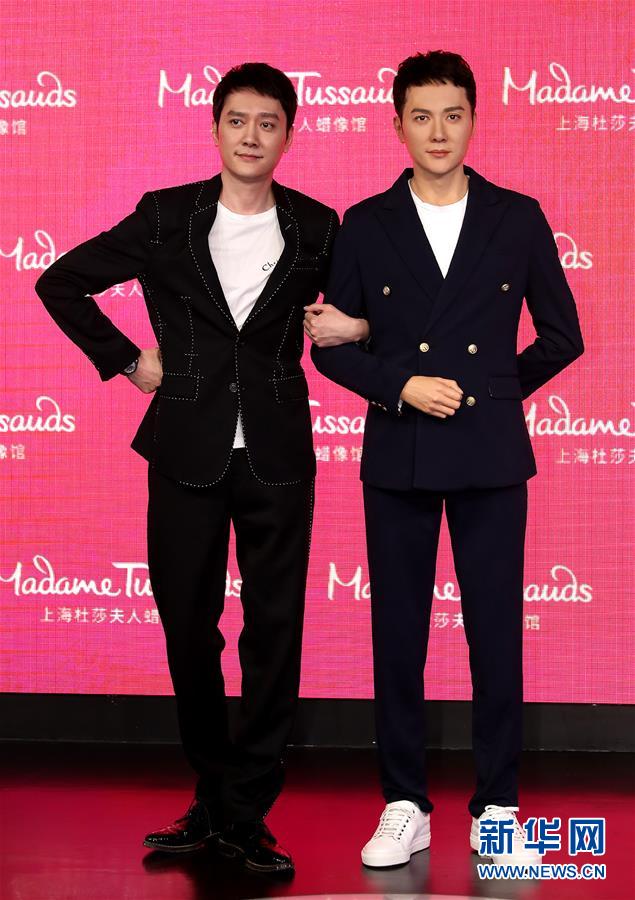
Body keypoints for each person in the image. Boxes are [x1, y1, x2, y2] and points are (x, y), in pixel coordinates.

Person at [35, 62, 366, 874]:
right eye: (237, 121)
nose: (252, 136)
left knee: (273, 634)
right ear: (214, 128)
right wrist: (126, 361)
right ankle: (213, 797)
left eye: (268, 123)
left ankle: (245, 813)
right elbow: (61, 282)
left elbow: (368, 308)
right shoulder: (165, 216)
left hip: (278, 456)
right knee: (188, 628)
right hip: (184, 448)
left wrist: (356, 328)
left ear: (289, 135)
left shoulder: (319, 226)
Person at [307, 50, 583, 868]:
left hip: (488, 451)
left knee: (495, 636)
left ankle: (498, 809)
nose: (437, 131)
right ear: (396, 124)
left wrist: (489, 392)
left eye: (452, 114)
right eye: (421, 116)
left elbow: (561, 336)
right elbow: (329, 346)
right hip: (399, 447)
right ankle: (403, 803)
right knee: (396, 634)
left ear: (473, 120)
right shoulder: (365, 223)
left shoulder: (516, 216)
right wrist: (401, 385)